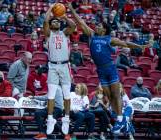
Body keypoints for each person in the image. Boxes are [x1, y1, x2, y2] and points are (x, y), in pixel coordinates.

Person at [68, 2, 146, 134]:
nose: (96, 26)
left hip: (110, 68)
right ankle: (121, 120)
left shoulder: (109, 39)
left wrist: (139, 47)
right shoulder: (92, 34)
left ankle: (120, 120)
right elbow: (81, 22)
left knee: (116, 95)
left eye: (99, 25)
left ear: (103, 29)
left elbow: (125, 43)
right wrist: (71, 10)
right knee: (109, 96)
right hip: (100, 70)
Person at [43, 4, 76, 138]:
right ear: (51, 25)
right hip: (52, 66)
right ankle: (50, 119)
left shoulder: (65, 33)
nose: (56, 22)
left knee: (67, 94)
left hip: (64, 66)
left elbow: (73, 26)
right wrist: (51, 8)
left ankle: (66, 119)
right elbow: (45, 21)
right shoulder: (48, 34)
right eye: (54, 21)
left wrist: (63, 16)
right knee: (51, 94)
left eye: (58, 21)